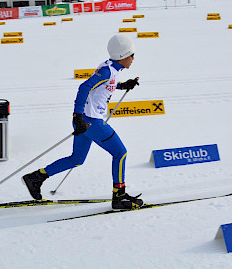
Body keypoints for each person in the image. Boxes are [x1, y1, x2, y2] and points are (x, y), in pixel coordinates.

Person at [22, 34, 143, 210]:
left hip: (85, 121)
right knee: (120, 153)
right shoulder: (107, 71)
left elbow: (104, 84)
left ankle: (36, 177)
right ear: (123, 55)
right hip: (91, 122)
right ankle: (119, 196)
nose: (133, 58)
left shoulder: (110, 68)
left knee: (77, 159)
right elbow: (84, 87)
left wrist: (122, 86)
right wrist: (77, 116)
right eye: (132, 55)